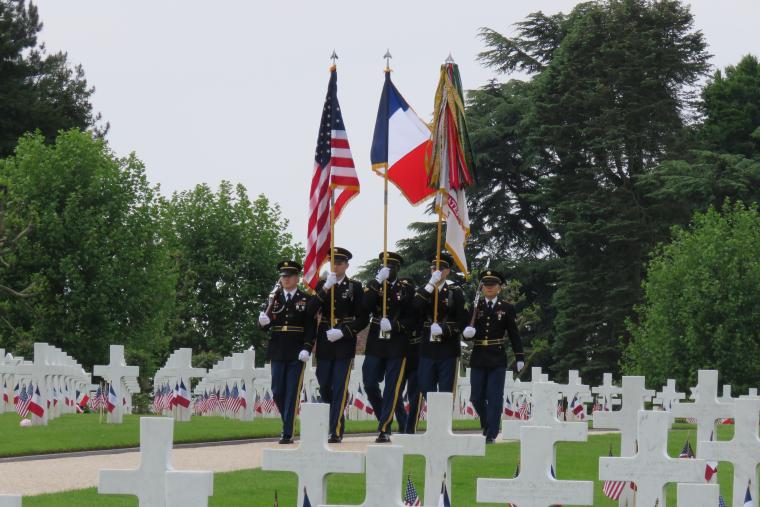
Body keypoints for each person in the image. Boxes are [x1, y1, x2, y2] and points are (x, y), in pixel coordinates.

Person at [307, 247, 367, 443]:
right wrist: (324, 289)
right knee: (324, 385)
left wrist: (344, 331)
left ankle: (335, 429)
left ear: (347, 265)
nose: (336, 265)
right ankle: (329, 421)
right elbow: (310, 310)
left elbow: (363, 317)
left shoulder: (355, 287)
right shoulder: (322, 285)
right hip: (325, 341)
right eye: (333, 262)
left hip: (343, 342)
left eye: (340, 263)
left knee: (339, 386)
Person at [462, 269, 524, 443]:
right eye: (486, 285)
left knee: (494, 396)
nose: (489, 288)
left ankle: (492, 433)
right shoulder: (476, 307)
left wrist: (520, 357)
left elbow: (514, 334)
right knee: (476, 397)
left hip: (497, 356)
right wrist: (467, 333)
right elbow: (469, 331)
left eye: (493, 285)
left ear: (499, 288)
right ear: (482, 288)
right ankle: (488, 422)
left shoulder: (506, 308)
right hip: (479, 355)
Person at [258, 260, 314, 444]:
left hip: (297, 351)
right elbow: (265, 326)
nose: (285, 279)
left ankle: (287, 432)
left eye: (289, 276)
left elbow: (310, 327)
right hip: (278, 350)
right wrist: (263, 322)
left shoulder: (306, 299)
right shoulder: (273, 299)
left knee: (292, 393)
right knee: (277, 391)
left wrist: (307, 347)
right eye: (283, 276)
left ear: (297, 277)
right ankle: (288, 421)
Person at [361, 251, 416, 443]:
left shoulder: (406, 288)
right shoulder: (373, 286)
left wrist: (394, 325)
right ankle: (392, 417)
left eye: (391, 267)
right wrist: (377, 281)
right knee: (369, 383)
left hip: (397, 343)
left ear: (398, 269)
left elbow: (412, 318)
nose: (388, 269)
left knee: (392, 388)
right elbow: (365, 307)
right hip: (376, 341)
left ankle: (384, 428)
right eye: (385, 266)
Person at [412, 252, 467, 428]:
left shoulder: (455, 292)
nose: (437, 270)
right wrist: (429, 285)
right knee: (425, 385)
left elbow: (461, 322)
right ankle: (433, 421)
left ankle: (442, 427)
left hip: (448, 348)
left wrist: (444, 329)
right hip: (427, 346)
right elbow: (415, 308)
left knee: (445, 390)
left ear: (448, 271)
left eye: (441, 268)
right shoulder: (424, 290)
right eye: (434, 267)